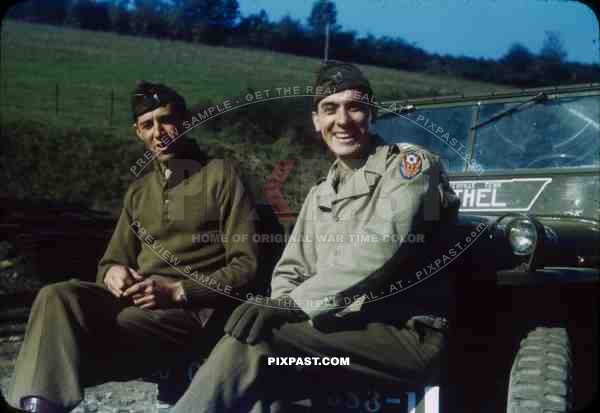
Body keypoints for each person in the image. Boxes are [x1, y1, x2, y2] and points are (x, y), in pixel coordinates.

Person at [171, 61, 460, 413]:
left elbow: (382, 246)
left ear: (372, 115)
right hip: (335, 336)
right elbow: (292, 268)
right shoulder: (321, 193)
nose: (342, 120)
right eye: (329, 109)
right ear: (315, 121)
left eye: (355, 107)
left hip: (405, 339)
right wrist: (279, 304)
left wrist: (291, 308)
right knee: (266, 370)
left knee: (259, 343)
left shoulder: (409, 167)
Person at [7, 81, 259, 413]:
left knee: (91, 339)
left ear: (186, 122)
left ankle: (41, 402)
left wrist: (179, 291)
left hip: (189, 312)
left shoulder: (222, 176)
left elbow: (247, 266)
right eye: (147, 125)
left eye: (166, 120)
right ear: (138, 132)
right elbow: (110, 260)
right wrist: (112, 272)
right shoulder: (140, 190)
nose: (159, 132)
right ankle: (39, 406)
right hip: (133, 303)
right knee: (56, 295)